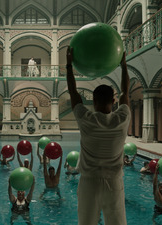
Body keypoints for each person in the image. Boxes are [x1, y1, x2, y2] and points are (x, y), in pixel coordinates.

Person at [66, 47, 131, 225]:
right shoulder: (122, 118)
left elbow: (73, 93)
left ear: (93, 102)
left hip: (89, 182)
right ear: (113, 101)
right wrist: (124, 64)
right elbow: (126, 91)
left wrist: (69, 65)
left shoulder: (86, 119)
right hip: (114, 182)